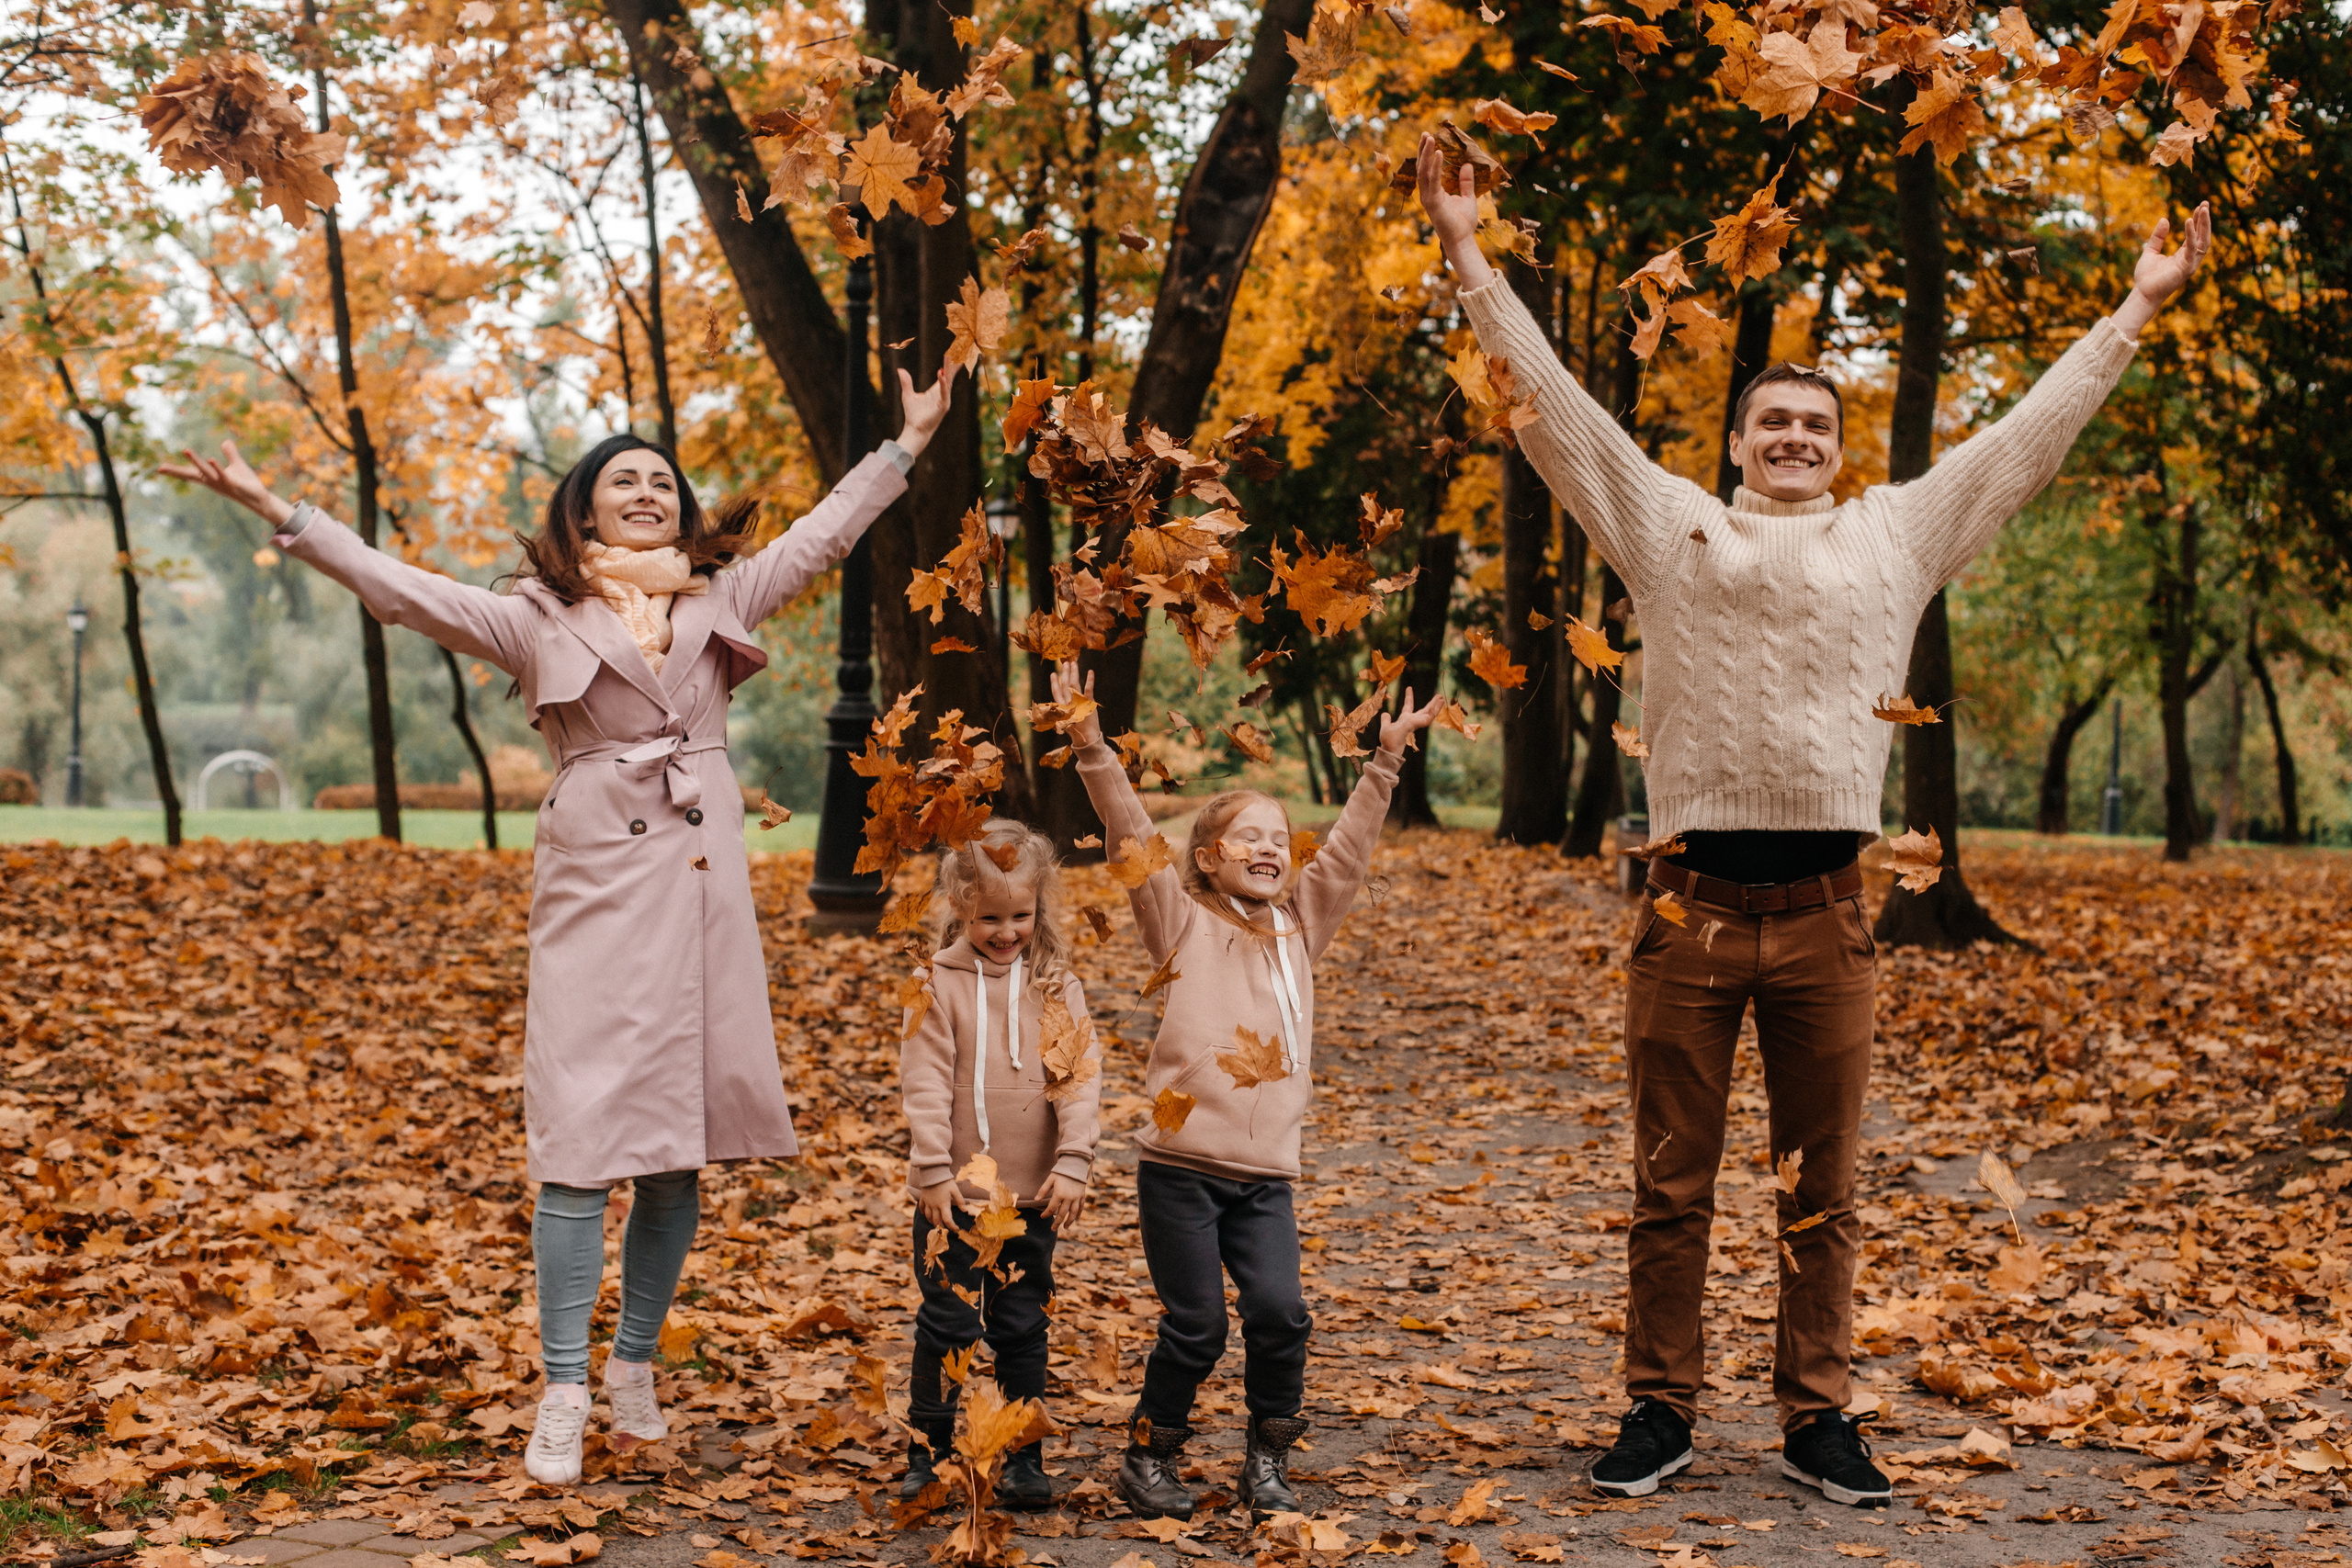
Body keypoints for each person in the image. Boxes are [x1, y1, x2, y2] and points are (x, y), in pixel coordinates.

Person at [1417, 137, 2210, 1507]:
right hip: (1685, 910)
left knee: (1821, 1189)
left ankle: (1816, 1413)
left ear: (1841, 453)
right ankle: (1658, 1408)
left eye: (1815, 428)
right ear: (1736, 443)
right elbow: (1549, 409)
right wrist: (1470, 256)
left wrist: (2133, 309)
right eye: (1771, 423)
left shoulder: (1897, 534)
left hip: (1832, 915)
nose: (1793, 439)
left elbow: (2026, 436)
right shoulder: (1669, 523)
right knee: (1672, 1184)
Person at [161, 359, 962, 1484]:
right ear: (582, 508)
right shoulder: (536, 617)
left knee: (677, 1154)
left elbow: (825, 538)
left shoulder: (718, 597)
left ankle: (632, 1363)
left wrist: (906, 444)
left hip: (698, 886)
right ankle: (563, 1387)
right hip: (593, 892)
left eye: (663, 482)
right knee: (582, 1148)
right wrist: (276, 509)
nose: (648, 493)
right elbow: (399, 590)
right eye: (623, 481)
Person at [1057, 661, 1443, 1521]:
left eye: (1280, 837)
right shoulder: (1178, 915)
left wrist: (1382, 764)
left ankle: (1265, 1458)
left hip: (1266, 1178)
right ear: (1207, 858)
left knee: (1281, 1314)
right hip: (1180, 1170)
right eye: (1249, 838)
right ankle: (1151, 1451)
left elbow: (1344, 853)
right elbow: (1129, 835)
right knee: (1197, 1328)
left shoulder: (1301, 929)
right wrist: (1090, 745)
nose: (1271, 848)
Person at [898, 818, 1101, 1511]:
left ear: (1040, 906)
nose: (1007, 929)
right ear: (959, 904)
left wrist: (1074, 1159)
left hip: (1030, 1199)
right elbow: (923, 1079)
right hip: (951, 1198)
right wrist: (929, 1167)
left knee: (1021, 1326)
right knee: (947, 1325)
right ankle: (927, 1454)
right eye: (990, 916)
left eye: (1021, 914)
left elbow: (1078, 1079)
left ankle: (1023, 1456)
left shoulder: (1056, 985)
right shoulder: (936, 983)